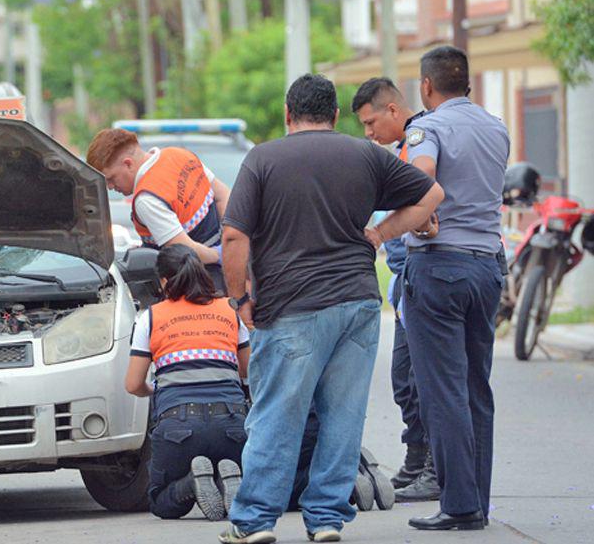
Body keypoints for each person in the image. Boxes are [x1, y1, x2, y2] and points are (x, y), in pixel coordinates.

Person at [218, 74, 444, 544]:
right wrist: (380, 235)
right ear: (336, 115)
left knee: (278, 412)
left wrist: (239, 297)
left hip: (290, 305)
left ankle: (257, 520)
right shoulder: (365, 154)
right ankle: (325, 519)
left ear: (287, 114)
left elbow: (235, 236)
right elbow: (431, 195)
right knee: (342, 415)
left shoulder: (263, 158)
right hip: (357, 303)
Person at [402, 46, 509, 531]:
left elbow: (421, 175)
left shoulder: (428, 127)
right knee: (475, 388)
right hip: (486, 267)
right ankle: (476, 504)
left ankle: (458, 505)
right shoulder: (495, 126)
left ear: (426, 87)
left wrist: (408, 219)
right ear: (466, 82)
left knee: (441, 390)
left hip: (440, 266)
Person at [351, 78, 440, 501]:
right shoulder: (399, 151)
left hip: (423, 270)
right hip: (405, 275)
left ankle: (434, 468)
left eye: (371, 123)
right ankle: (416, 456)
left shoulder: (420, 142)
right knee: (404, 377)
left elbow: (428, 193)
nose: (369, 133)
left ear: (392, 110)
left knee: (422, 378)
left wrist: (385, 233)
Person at [125, 244, 250, 521]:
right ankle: (227, 479)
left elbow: (133, 384)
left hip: (178, 427)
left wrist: (156, 389)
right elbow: (247, 371)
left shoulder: (152, 317)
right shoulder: (229, 311)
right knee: (232, 461)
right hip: (231, 424)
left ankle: (192, 482)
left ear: (165, 281)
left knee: (160, 500)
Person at [86, 129, 231, 289]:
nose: (110, 187)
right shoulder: (179, 155)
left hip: (199, 283)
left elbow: (185, 250)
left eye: (110, 179)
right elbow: (223, 195)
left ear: (128, 164)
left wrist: (221, 254)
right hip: (225, 271)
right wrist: (229, 242)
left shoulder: (147, 198)